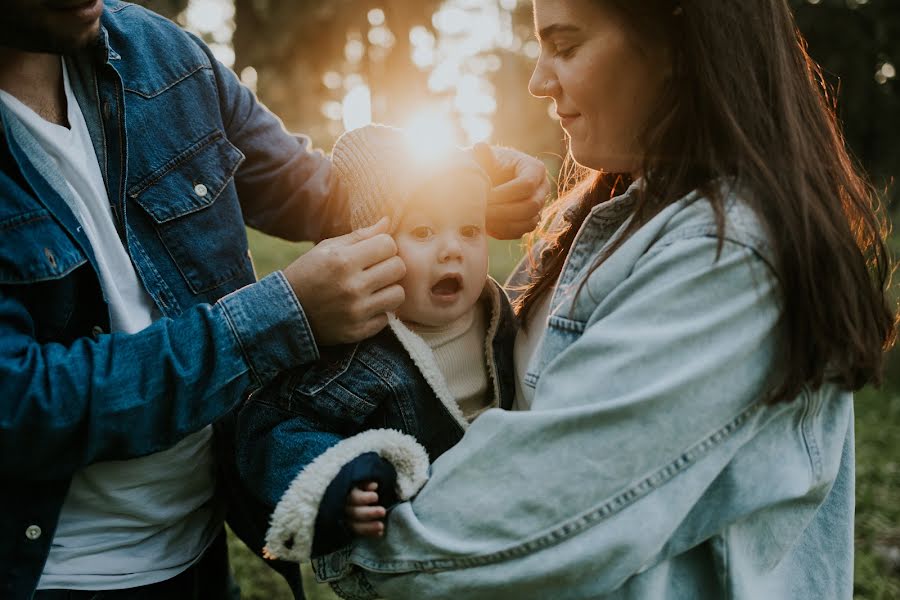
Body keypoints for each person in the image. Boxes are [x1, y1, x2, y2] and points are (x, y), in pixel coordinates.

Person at [296, 1, 897, 599]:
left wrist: (332, 522)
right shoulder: (614, 211)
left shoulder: (729, 256)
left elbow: (531, 518)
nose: (537, 79)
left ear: (674, 46)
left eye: (566, 45)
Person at [0, 1, 547, 597]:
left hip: (200, 547)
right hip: (52, 574)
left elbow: (323, 193)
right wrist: (285, 317)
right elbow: (21, 402)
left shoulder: (163, 57)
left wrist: (470, 179)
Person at [232, 124, 517, 565]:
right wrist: (341, 478)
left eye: (470, 229)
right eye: (423, 232)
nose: (452, 250)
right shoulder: (361, 351)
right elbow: (272, 426)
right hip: (412, 548)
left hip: (495, 516)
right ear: (374, 247)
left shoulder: (500, 314)